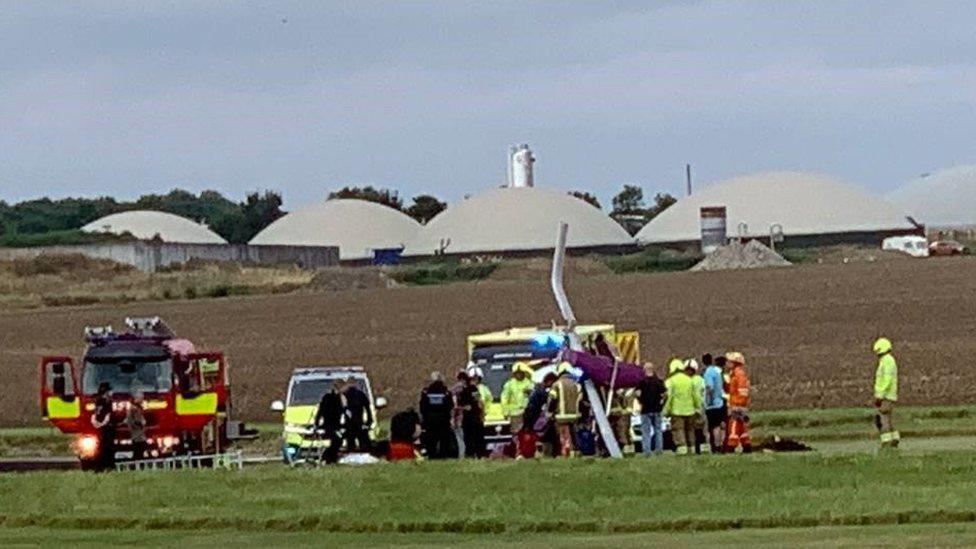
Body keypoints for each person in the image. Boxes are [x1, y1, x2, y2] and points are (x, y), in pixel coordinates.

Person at [664, 360, 702, 455]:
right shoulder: (690, 380)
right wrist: (698, 407)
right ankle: (692, 448)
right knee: (690, 430)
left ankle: (682, 448)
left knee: (679, 429)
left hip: (677, 411)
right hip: (690, 410)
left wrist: (666, 410)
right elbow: (695, 395)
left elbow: (669, 397)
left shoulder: (671, 381)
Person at [419, 371, 457, 459]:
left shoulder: (426, 392)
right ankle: (443, 455)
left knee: (431, 440)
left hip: (430, 421)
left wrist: (426, 417)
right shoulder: (446, 392)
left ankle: (432, 455)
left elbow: (422, 406)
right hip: (443, 420)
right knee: (443, 439)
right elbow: (450, 405)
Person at [872, 337, 900, 449]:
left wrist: (879, 396)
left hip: (886, 395)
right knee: (889, 418)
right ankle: (894, 439)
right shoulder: (889, 360)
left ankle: (886, 442)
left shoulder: (886, 361)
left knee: (883, 418)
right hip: (889, 395)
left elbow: (886, 380)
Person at [636, 362, 666, 456]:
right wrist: (662, 403)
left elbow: (637, 394)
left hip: (645, 409)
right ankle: (659, 450)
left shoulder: (641, 382)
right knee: (658, 430)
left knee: (646, 431)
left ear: (645, 370)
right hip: (657, 409)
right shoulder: (659, 381)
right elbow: (665, 394)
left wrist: (640, 401)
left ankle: (647, 451)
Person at [724, 351, 752, 453]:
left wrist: (737, 404)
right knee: (742, 427)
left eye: (729, 361)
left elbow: (742, 391)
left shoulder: (739, 375)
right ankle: (746, 445)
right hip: (737, 403)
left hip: (737, 404)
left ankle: (732, 445)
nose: (727, 364)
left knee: (734, 426)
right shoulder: (734, 375)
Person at [550, 362, 580, 457]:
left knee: (563, 435)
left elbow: (552, 399)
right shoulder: (576, 384)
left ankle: (565, 451)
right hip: (574, 415)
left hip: (561, 416)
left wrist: (550, 411)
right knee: (573, 434)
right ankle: (573, 451)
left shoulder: (556, 384)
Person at [457, 370, 487, 458]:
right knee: (468, 437)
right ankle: (471, 454)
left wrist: (482, 414)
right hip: (467, 418)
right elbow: (460, 405)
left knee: (477, 437)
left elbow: (479, 402)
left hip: (474, 417)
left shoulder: (472, 388)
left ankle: (479, 454)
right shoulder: (462, 391)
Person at [702, 354, 727, 453]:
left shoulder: (708, 372)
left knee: (714, 426)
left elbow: (709, 387)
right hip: (721, 401)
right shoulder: (717, 371)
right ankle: (721, 444)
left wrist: (707, 400)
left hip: (713, 404)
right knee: (721, 426)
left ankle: (716, 446)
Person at [500, 362, 534, 434]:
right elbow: (504, 399)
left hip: (527, 413)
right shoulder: (509, 384)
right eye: (517, 373)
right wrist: (505, 413)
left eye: (521, 373)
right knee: (516, 433)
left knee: (527, 433)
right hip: (514, 414)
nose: (519, 375)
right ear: (514, 374)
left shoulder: (529, 384)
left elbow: (533, 398)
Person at [315, 385, 345, 464]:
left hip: (330, 425)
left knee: (336, 441)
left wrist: (317, 424)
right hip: (331, 426)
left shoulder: (327, 398)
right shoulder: (334, 399)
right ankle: (327, 457)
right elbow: (341, 410)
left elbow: (319, 413)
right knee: (337, 441)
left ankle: (329, 458)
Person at [342, 377, 373, 453]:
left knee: (350, 444)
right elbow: (368, 409)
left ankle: (351, 456)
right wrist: (369, 422)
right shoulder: (361, 394)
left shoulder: (344, 395)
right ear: (356, 384)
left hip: (349, 424)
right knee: (364, 444)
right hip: (359, 423)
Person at [91, 382, 116, 471]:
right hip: (106, 428)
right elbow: (107, 415)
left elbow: (96, 415)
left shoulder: (98, 401)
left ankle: (103, 466)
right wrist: (104, 423)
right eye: (110, 390)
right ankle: (106, 466)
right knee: (106, 447)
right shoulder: (105, 402)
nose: (112, 392)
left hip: (103, 428)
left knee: (103, 447)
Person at [450, 370, 469, 457]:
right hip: (466, 418)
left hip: (458, 419)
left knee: (459, 438)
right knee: (464, 438)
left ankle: (462, 455)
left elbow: (454, 406)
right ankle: (464, 454)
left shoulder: (454, 389)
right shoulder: (467, 388)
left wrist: (452, 418)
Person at [125, 392, 147, 461]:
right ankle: (137, 463)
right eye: (141, 398)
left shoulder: (137, 407)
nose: (142, 400)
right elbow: (133, 420)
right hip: (137, 434)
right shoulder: (134, 408)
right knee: (139, 449)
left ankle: (138, 462)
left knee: (140, 449)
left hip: (138, 433)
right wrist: (141, 422)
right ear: (136, 399)